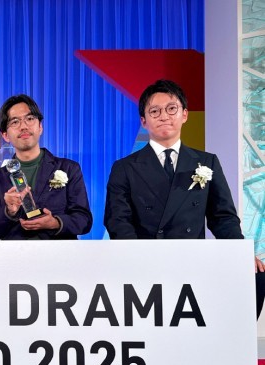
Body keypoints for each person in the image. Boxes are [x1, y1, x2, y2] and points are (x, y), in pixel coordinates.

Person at [104, 79, 265, 316]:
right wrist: (137, 256)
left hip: (192, 257)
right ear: (144, 121)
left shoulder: (207, 162)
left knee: (256, 275)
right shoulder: (124, 167)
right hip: (145, 259)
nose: (164, 116)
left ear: (185, 114)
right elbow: (118, 220)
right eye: (154, 111)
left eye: (171, 109)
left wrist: (240, 253)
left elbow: (223, 217)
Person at [0, 94, 92, 240]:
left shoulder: (69, 169)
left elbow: (84, 220)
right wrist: (9, 211)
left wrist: (55, 223)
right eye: (15, 122)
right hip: (17, 253)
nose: (23, 126)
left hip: (58, 252)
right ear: (5, 135)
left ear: (40, 127)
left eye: (29, 119)